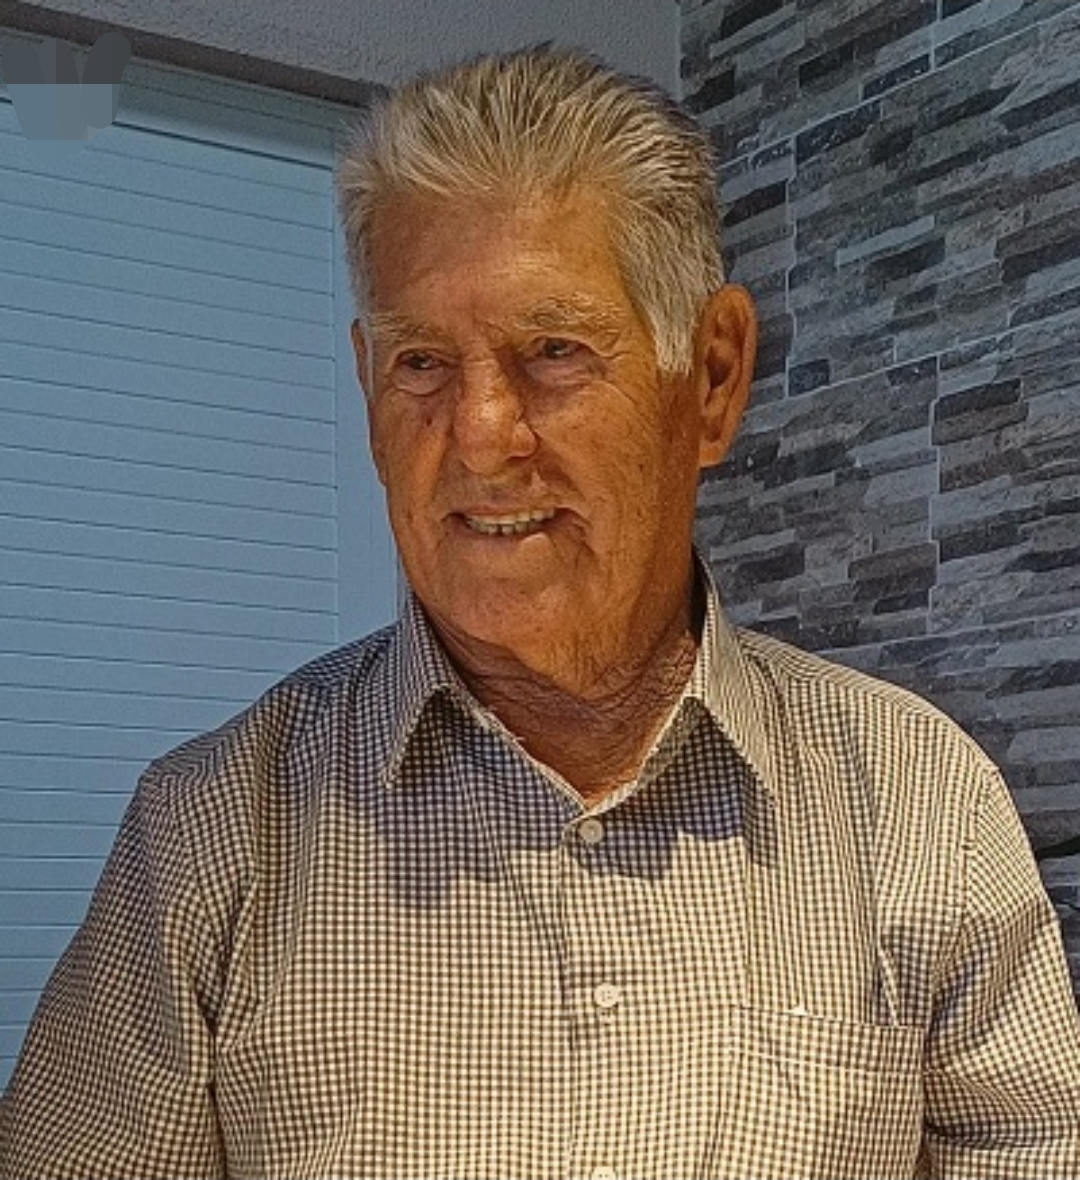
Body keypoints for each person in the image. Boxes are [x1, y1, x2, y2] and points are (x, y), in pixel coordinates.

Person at [2, 46, 1078, 1180]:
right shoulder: (213, 835)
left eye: (554, 351)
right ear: (367, 387)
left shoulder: (922, 804)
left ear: (713, 379)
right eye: (421, 362)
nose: (478, 435)